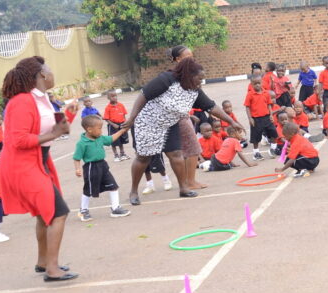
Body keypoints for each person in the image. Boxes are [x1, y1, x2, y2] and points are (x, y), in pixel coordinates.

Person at [124, 56, 242, 205]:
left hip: (171, 124)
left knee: (176, 154)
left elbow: (211, 106)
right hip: (149, 122)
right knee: (143, 158)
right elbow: (144, 95)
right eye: (199, 79)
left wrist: (231, 121)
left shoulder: (195, 91)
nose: (201, 82)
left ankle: (183, 188)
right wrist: (131, 118)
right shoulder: (166, 79)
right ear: (188, 75)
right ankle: (133, 191)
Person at [0, 56, 75, 279]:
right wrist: (54, 133)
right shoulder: (22, 101)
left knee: (45, 215)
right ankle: (53, 270)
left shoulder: (41, 99)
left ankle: (43, 262)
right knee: (59, 213)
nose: (52, 72)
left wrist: (69, 114)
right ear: (42, 74)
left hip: (39, 161)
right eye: (49, 69)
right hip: (23, 165)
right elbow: (19, 139)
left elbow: (53, 128)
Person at [74, 115, 132, 221]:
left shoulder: (100, 138)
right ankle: (83, 210)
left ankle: (115, 208)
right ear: (89, 129)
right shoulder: (81, 143)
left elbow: (110, 139)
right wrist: (77, 169)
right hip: (91, 168)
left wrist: (122, 131)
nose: (101, 131)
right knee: (88, 190)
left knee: (113, 186)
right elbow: (77, 158)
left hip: (103, 166)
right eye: (99, 128)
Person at [169, 46, 207, 192]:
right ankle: (189, 182)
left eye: (192, 55)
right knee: (192, 148)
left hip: (184, 115)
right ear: (178, 59)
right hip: (177, 117)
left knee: (187, 150)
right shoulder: (172, 76)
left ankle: (188, 181)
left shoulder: (188, 74)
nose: (192, 59)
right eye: (187, 56)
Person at [244, 76, 277, 160]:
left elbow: (269, 104)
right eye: (255, 84)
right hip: (256, 119)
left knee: (273, 131)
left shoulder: (266, 93)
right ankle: (256, 153)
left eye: (259, 83)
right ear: (251, 84)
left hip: (266, 117)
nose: (257, 85)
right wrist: (250, 118)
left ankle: (273, 149)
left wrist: (270, 115)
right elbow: (247, 107)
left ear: (261, 83)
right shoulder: (250, 94)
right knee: (256, 137)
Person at [102, 91, 130, 161]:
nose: (114, 97)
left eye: (115, 96)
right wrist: (113, 124)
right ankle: (116, 155)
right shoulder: (108, 107)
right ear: (108, 98)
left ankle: (122, 153)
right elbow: (106, 118)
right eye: (112, 96)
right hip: (113, 126)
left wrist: (125, 123)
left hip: (121, 124)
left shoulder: (121, 105)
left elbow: (124, 115)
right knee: (113, 140)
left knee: (121, 140)